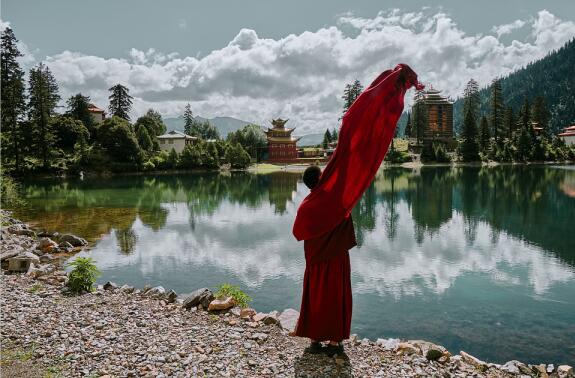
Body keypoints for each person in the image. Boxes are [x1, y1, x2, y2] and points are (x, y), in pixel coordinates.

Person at [293, 165, 357, 357]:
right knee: (336, 296)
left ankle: (315, 340)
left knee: (317, 296)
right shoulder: (334, 201)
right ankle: (334, 342)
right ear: (321, 179)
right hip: (336, 258)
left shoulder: (306, 205)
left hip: (316, 261)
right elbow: (346, 213)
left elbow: (297, 232)